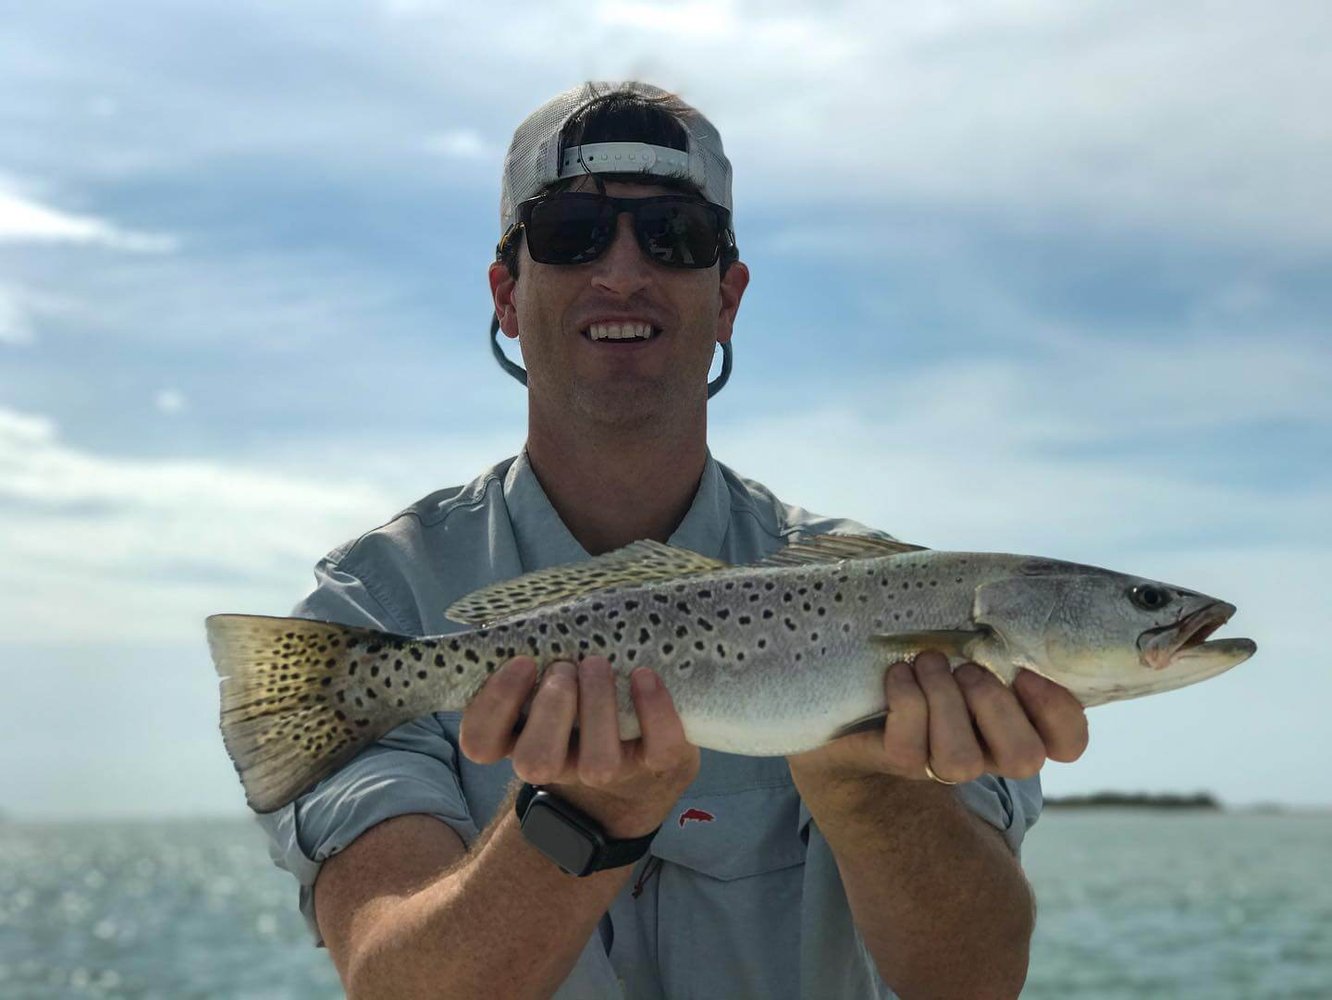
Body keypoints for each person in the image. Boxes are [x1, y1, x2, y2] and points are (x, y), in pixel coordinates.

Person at [255, 81, 1089, 999]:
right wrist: (582, 819)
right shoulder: (374, 607)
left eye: (675, 237)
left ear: (728, 297)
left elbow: (972, 984)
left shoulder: (891, 588)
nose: (622, 272)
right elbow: (393, 983)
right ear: (506, 292)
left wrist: (873, 786)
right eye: (571, 232)